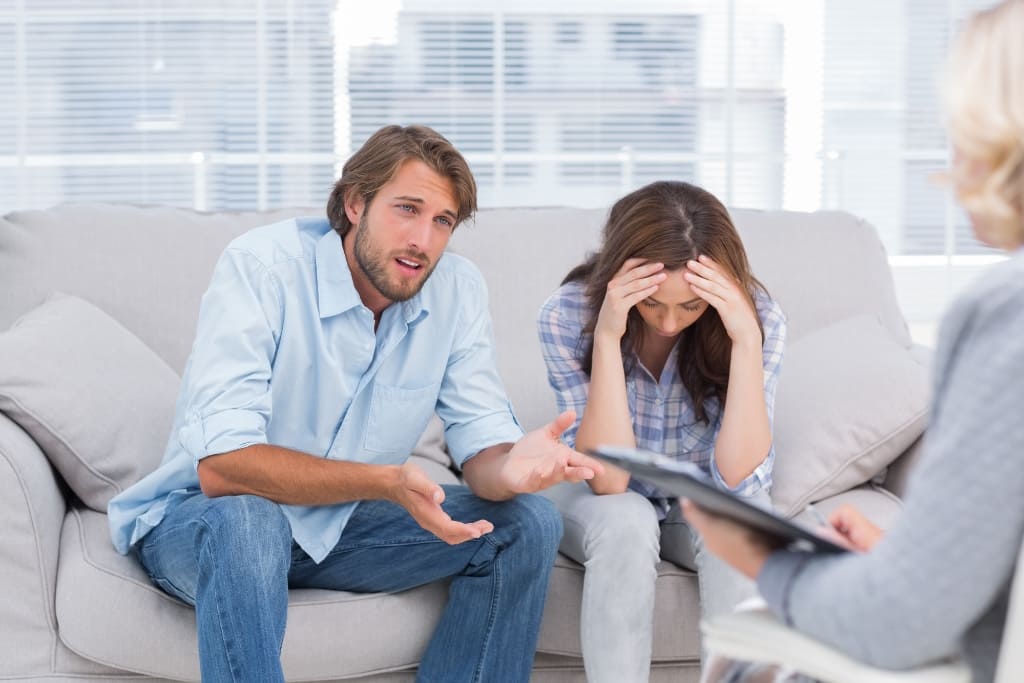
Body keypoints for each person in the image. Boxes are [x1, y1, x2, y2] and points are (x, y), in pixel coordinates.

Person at [106, 124, 605, 683]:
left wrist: (511, 468)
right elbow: (224, 468)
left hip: (340, 530)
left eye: (442, 221)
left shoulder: (457, 291)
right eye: (407, 209)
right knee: (250, 520)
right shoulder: (263, 267)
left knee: (527, 521)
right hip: (205, 526)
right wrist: (383, 482)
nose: (423, 239)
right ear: (355, 203)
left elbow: (483, 451)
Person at [683, 2, 1024, 681]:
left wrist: (765, 559)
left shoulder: (1003, 318)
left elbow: (897, 622)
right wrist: (908, 560)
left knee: (759, 660)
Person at [536, 180, 787, 681]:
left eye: (691, 307)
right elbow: (607, 480)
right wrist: (608, 335)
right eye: (653, 304)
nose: (670, 324)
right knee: (627, 518)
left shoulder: (757, 322)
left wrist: (745, 342)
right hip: (600, 496)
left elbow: (737, 479)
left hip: (695, 500)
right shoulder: (567, 315)